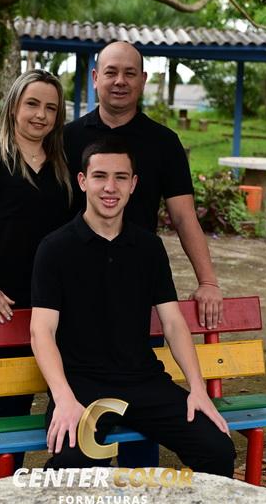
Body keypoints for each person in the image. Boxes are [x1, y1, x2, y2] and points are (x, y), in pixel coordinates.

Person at [30, 137, 235, 475]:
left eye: (121, 177)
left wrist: (197, 389)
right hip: (83, 385)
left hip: (144, 382)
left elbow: (173, 323)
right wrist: (64, 397)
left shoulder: (149, 248)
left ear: (133, 184)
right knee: (74, 465)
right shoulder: (55, 248)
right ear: (82, 181)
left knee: (217, 449)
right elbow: (41, 331)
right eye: (100, 176)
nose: (110, 187)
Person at [0, 69, 72, 479]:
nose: (40, 115)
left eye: (50, 108)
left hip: (47, 303)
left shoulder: (64, 168)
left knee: (34, 401)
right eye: (32, 104)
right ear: (13, 107)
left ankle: (24, 483)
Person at [64, 41, 222, 331]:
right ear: (95, 77)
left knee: (140, 357)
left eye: (130, 73)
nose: (120, 81)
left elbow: (184, 216)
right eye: (111, 72)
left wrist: (208, 282)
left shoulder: (164, 143)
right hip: (73, 277)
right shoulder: (65, 139)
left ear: (143, 80)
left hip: (139, 278)